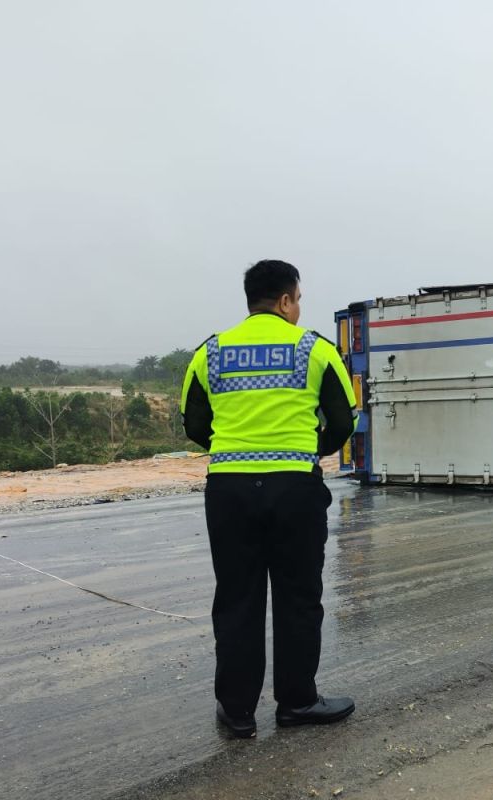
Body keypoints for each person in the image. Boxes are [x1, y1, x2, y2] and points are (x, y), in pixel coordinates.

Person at [180, 259, 358, 738]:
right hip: (293, 489)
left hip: (229, 490)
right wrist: (305, 448)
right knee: (298, 596)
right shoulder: (314, 349)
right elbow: (344, 423)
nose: (299, 308)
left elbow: (195, 424)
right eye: (297, 299)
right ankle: (297, 702)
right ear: (285, 300)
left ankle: (236, 712)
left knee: (237, 597)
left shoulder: (210, 352)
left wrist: (238, 449)